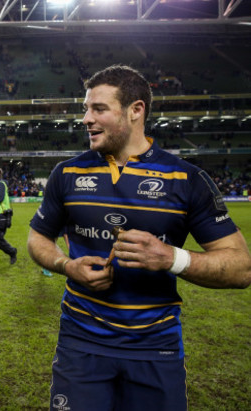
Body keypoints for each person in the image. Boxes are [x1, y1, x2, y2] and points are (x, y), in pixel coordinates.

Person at [27, 65, 251, 411]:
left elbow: (241, 268)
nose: (86, 118)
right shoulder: (67, 173)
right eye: (85, 109)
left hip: (155, 348)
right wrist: (65, 264)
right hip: (81, 343)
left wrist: (171, 258)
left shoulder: (187, 179)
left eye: (99, 109)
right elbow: (38, 238)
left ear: (136, 110)